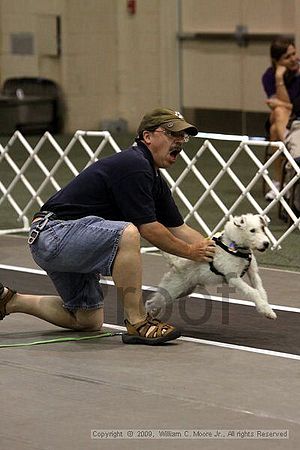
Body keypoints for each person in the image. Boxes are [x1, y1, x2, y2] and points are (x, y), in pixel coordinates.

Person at [0, 108, 216, 345]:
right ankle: (137, 322)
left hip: (64, 237)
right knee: (127, 233)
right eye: (172, 134)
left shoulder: (154, 178)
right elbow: (150, 229)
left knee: (86, 320)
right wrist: (190, 253)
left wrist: (221, 252)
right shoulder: (135, 164)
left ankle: (9, 301)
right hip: (53, 234)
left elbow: (179, 229)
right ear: (147, 137)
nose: (179, 142)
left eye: (183, 137)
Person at [262, 35, 300, 200]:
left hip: (295, 119)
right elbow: (280, 104)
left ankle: (279, 181)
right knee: (278, 112)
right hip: (286, 121)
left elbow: (292, 106)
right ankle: (290, 146)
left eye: (294, 54)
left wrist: (283, 105)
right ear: (277, 61)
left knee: (275, 128)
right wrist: (279, 79)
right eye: (287, 57)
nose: (294, 59)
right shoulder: (269, 76)